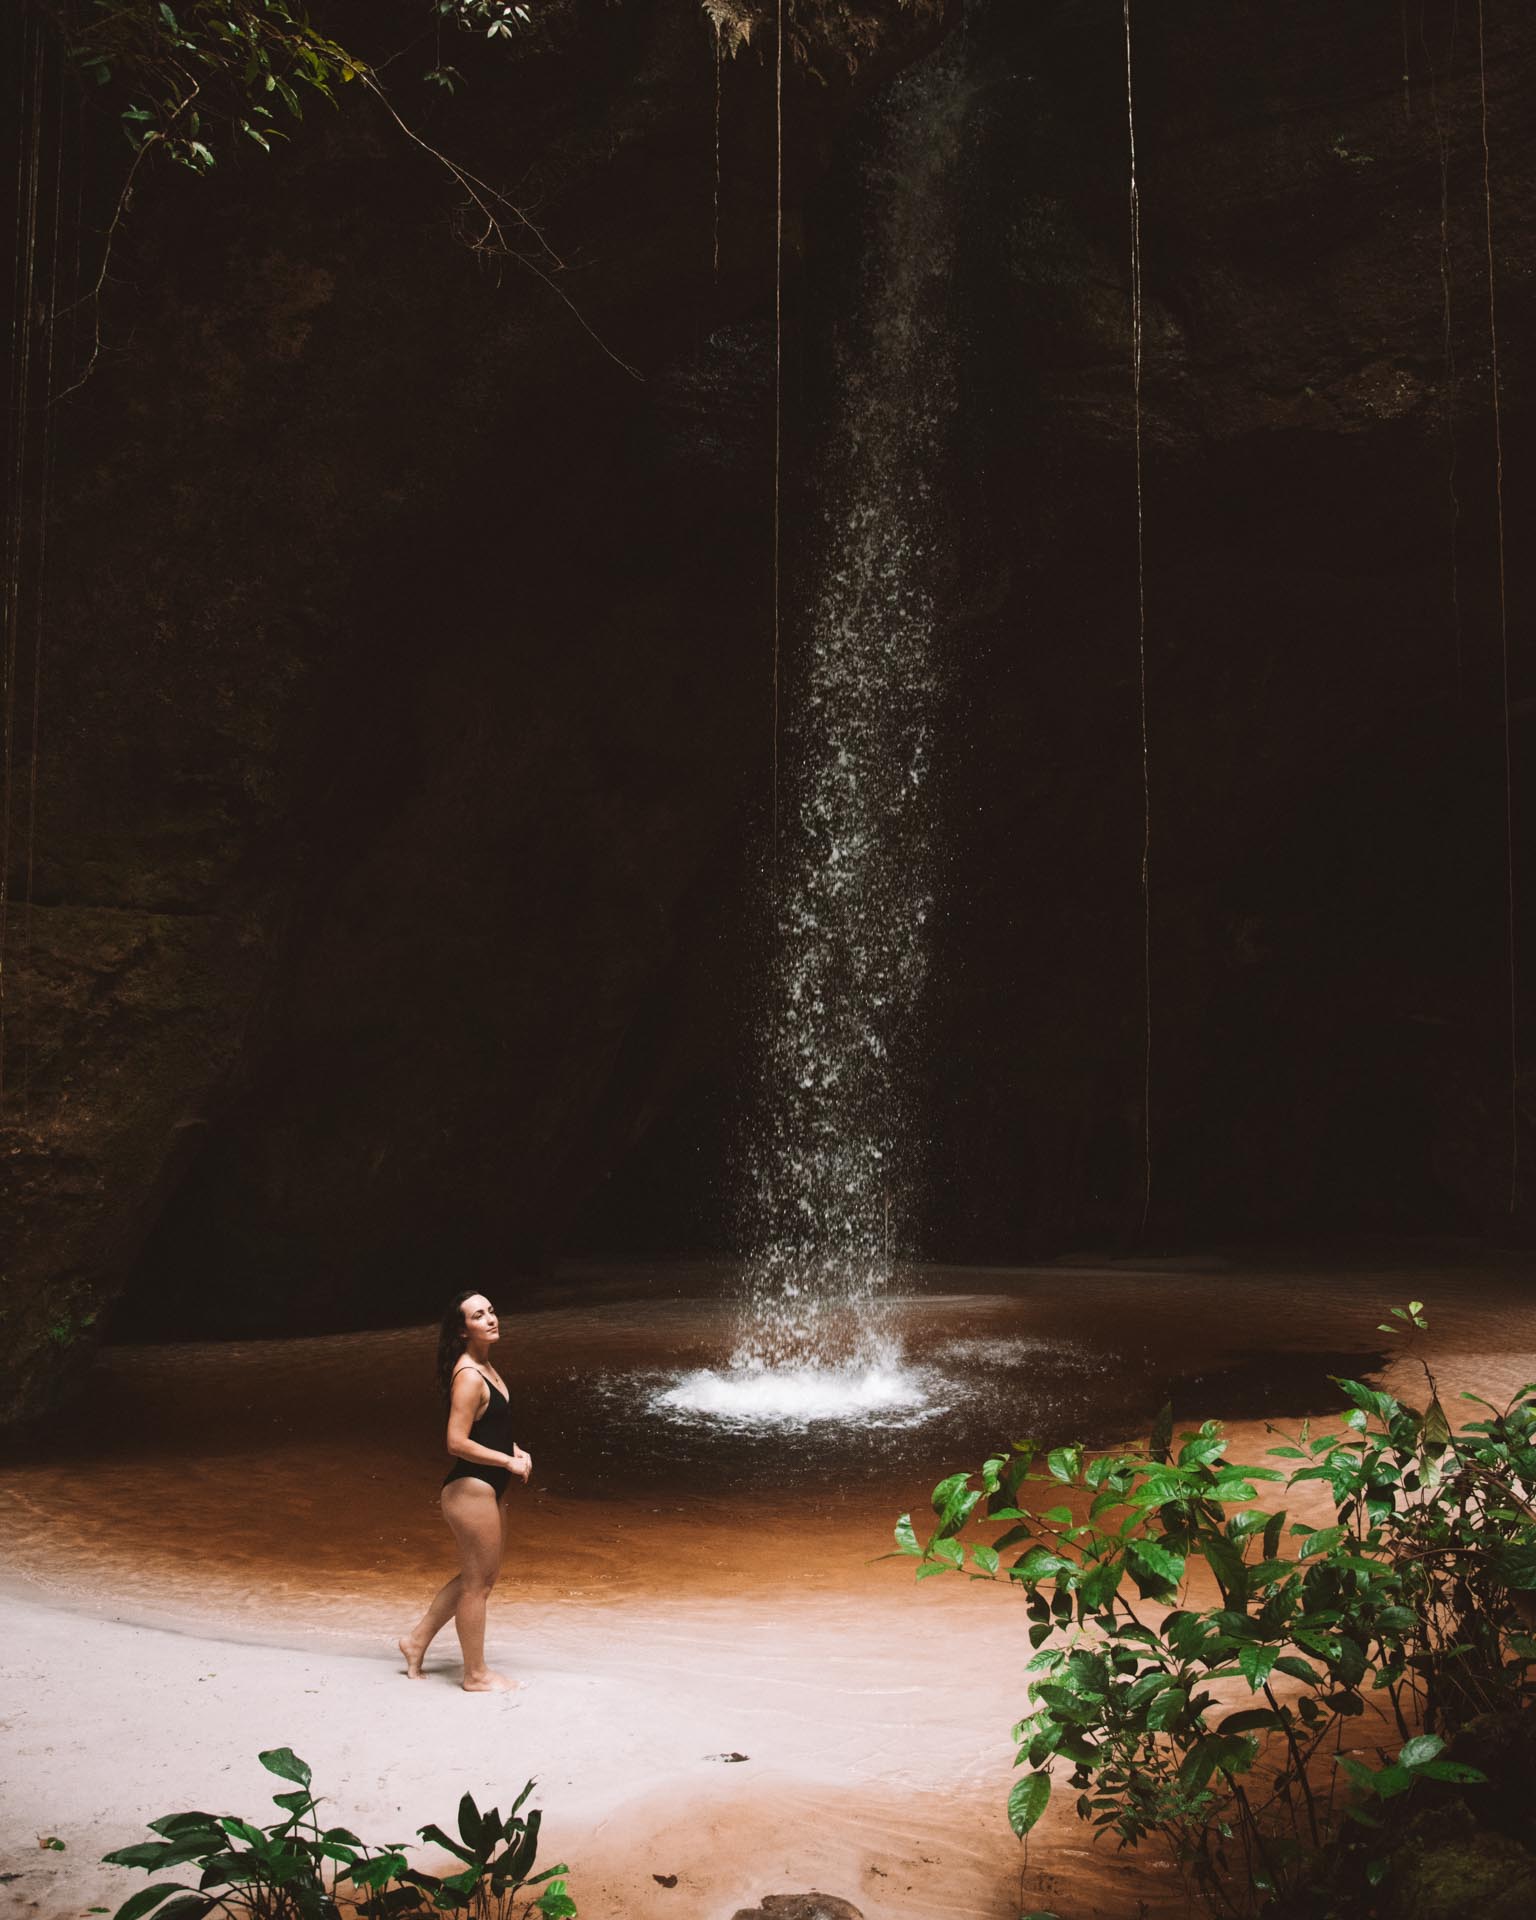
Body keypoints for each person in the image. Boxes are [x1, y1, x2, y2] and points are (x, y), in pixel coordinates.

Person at [398, 1290, 531, 1691]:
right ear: (462, 1330)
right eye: (478, 1315)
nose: (491, 1319)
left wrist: (514, 1449)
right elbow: (456, 1441)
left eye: (491, 1310)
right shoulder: (469, 1376)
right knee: (479, 1585)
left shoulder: (484, 1366)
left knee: (478, 1577)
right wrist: (507, 1461)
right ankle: (475, 1675)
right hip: (469, 1490)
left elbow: (488, 1429)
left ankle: (416, 1640)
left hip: (485, 1488)